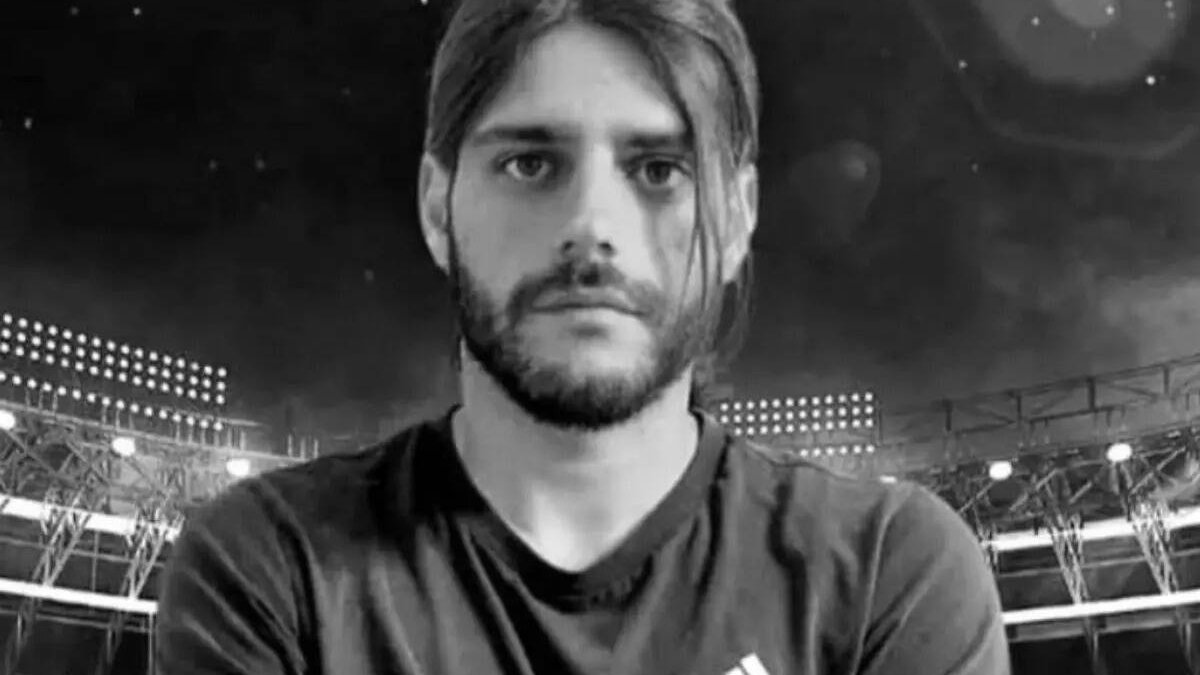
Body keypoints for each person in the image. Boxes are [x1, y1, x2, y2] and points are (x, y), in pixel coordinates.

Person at [155, 0, 1011, 673]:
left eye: (659, 170)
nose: (592, 226)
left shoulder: (887, 572)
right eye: (531, 164)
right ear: (437, 206)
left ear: (738, 215)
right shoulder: (273, 566)